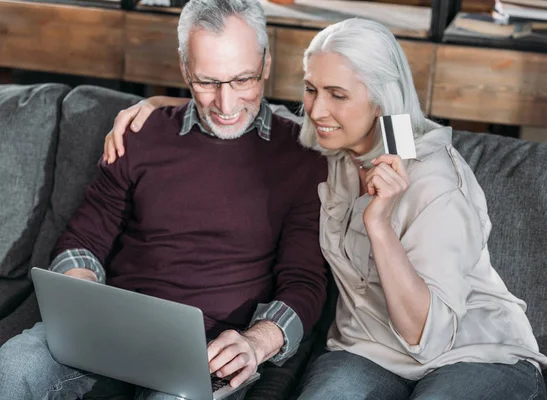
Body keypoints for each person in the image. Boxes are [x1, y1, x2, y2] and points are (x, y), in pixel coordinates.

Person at [103, 18, 547, 400]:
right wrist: (169, 105)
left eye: (337, 94)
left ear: (379, 99)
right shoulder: (327, 145)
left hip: (470, 353)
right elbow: (248, 110)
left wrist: (380, 225)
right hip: (366, 353)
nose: (317, 110)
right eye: (311, 89)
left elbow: (426, 338)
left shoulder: (436, 182)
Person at [0, 1, 328, 399]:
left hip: (210, 352)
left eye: (243, 80)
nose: (226, 106)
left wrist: (258, 342)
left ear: (267, 64)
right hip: (112, 332)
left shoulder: (301, 159)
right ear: (185, 67)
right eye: (207, 82)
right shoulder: (139, 132)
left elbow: (305, 282)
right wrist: (81, 295)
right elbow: (82, 238)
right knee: (15, 366)